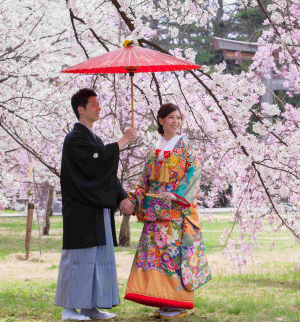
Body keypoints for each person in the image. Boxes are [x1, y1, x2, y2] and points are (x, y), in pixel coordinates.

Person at [55, 88, 136, 321]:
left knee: (98, 257)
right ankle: (69, 309)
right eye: (93, 104)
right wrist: (124, 140)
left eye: (98, 103)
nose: (98, 107)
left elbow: (106, 172)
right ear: (80, 109)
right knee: (79, 257)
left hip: (97, 209)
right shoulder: (74, 139)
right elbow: (95, 163)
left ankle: (91, 306)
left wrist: (122, 197)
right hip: (80, 209)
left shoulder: (94, 139)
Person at [124, 103, 211, 319]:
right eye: (171, 117)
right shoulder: (154, 147)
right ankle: (163, 300)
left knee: (172, 255)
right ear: (161, 120)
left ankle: (178, 303)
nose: (175, 122)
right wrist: (133, 199)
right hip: (155, 210)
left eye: (178, 118)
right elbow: (145, 178)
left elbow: (194, 171)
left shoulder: (185, 145)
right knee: (156, 255)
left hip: (174, 211)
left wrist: (177, 194)